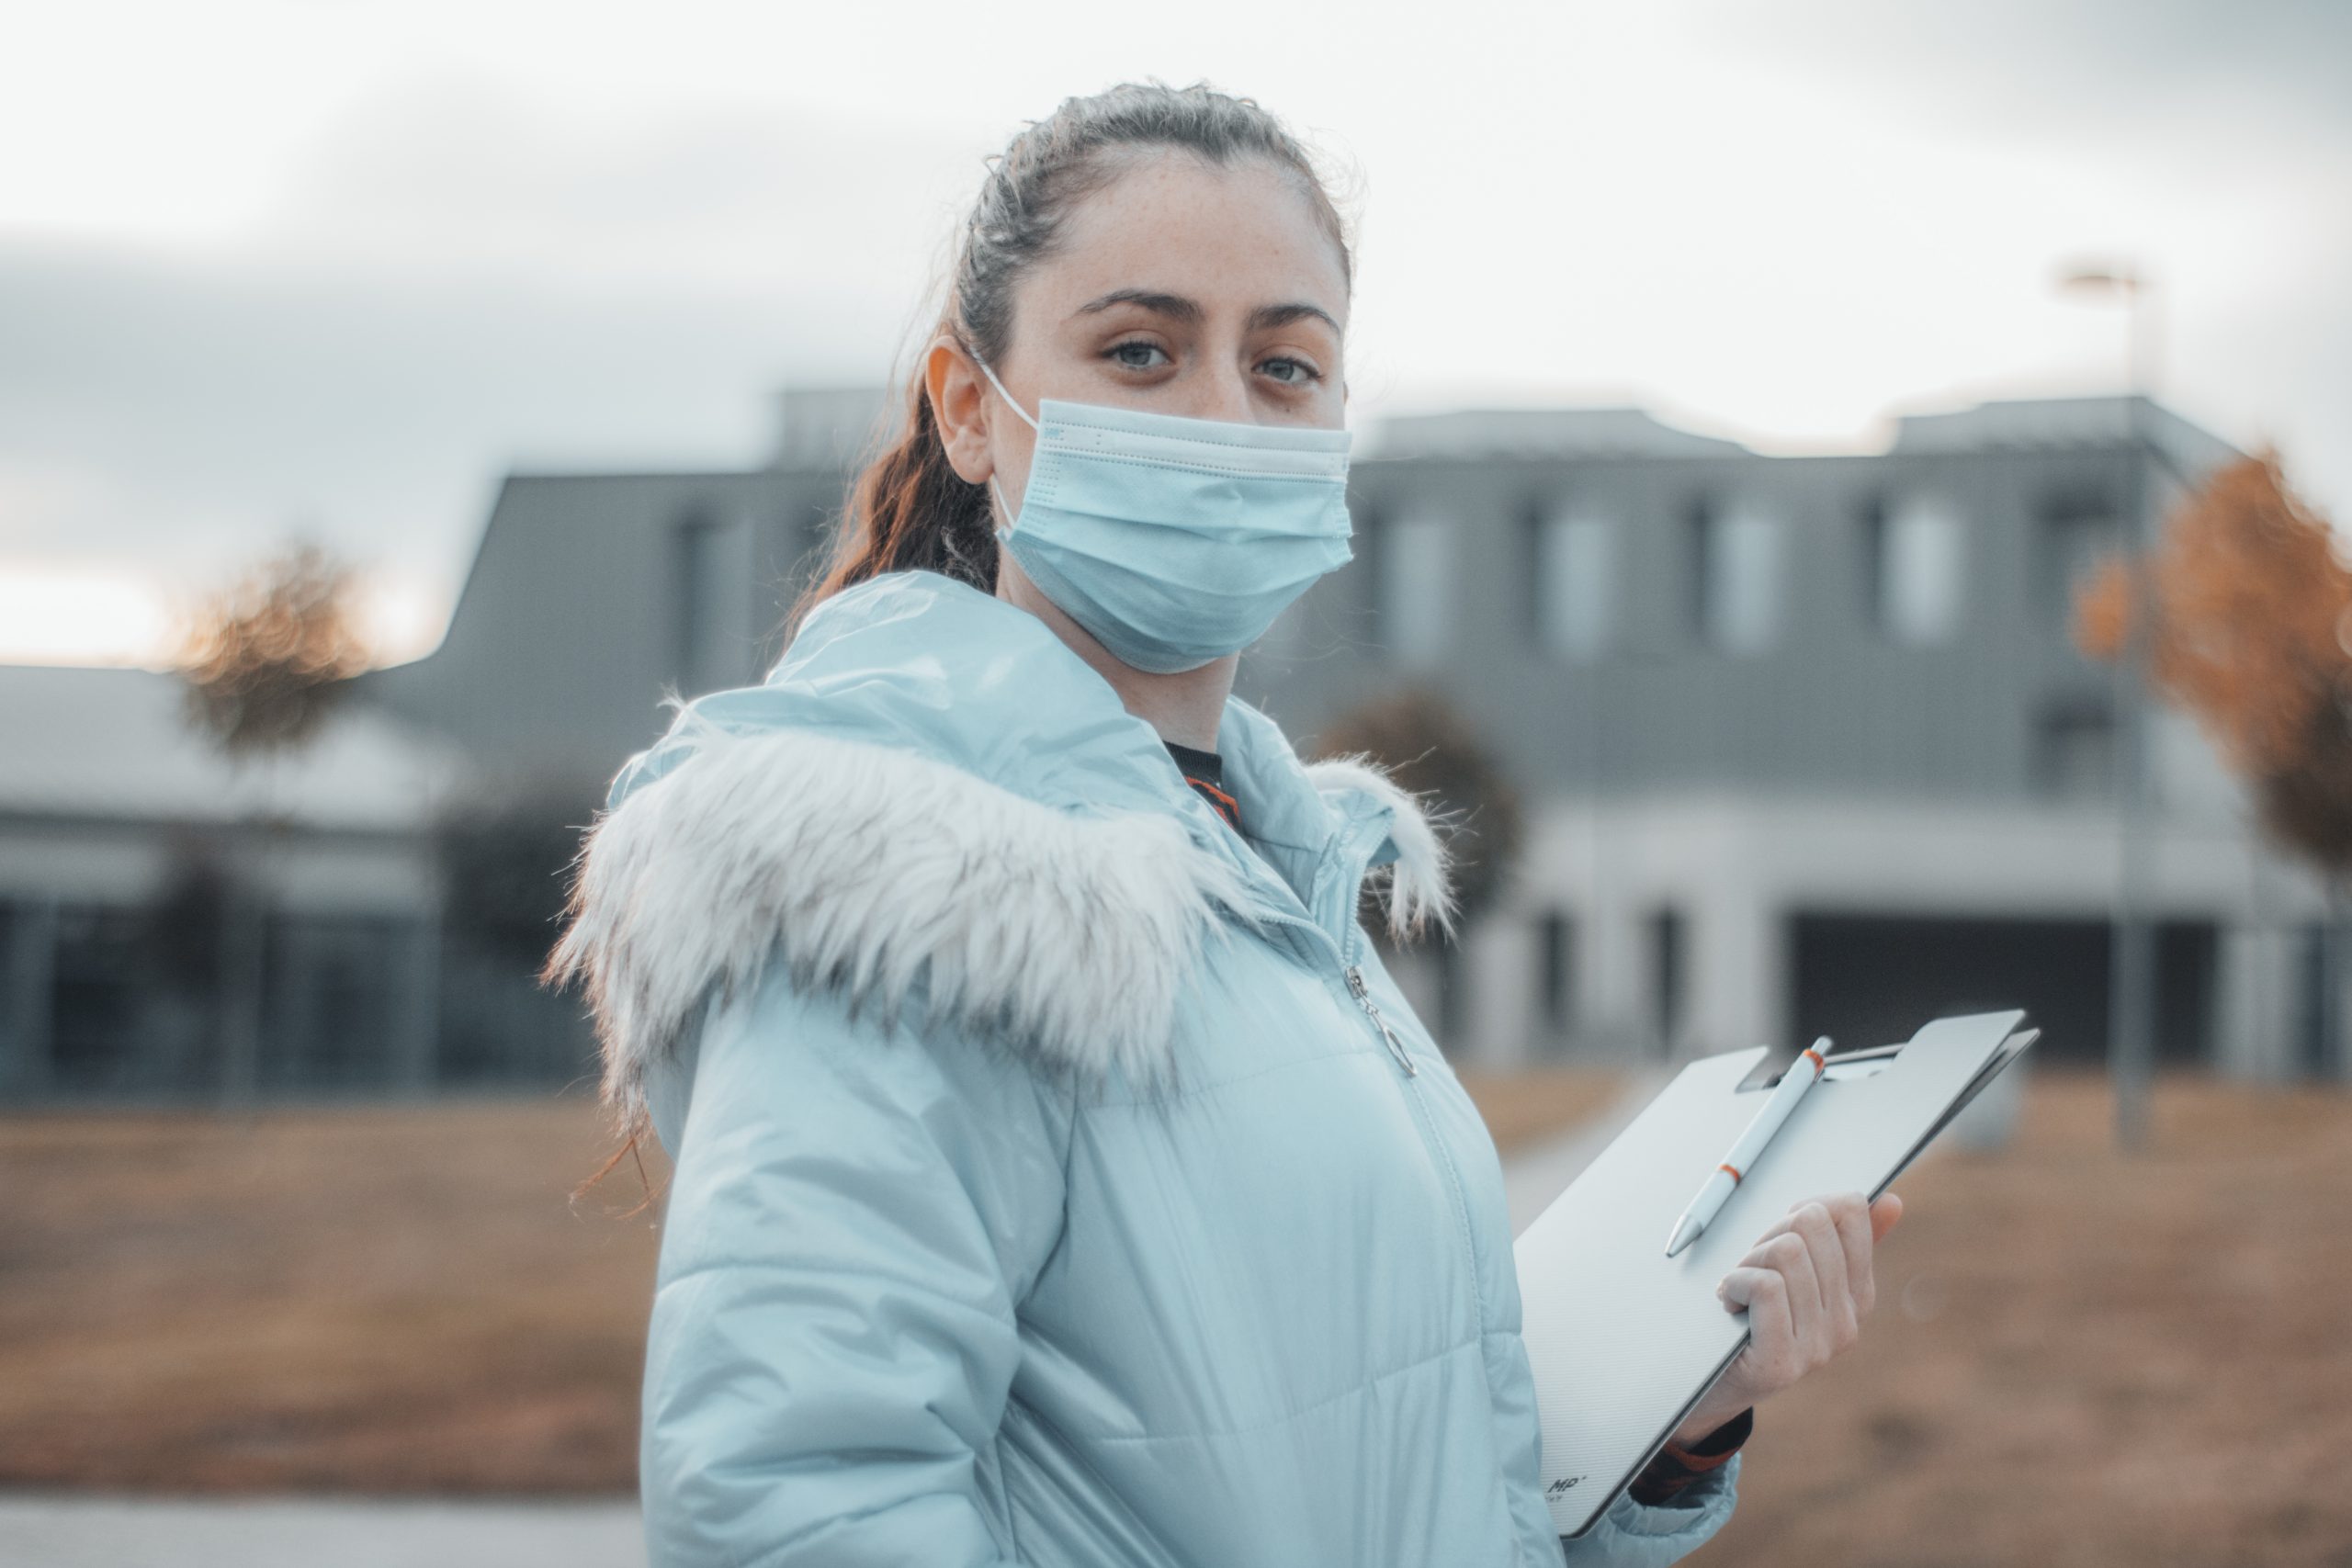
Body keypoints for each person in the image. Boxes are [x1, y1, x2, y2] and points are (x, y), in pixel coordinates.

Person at [546, 79, 1901, 1568]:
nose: (1221, 419)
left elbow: (1397, 1473)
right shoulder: (908, 883)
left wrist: (1678, 1421)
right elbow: (793, 1512)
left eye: (1285, 366)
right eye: (1141, 352)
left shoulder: (1273, 876)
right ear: (967, 410)